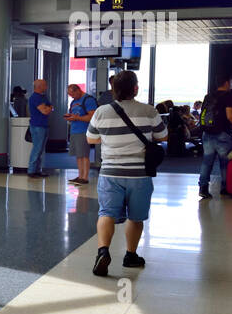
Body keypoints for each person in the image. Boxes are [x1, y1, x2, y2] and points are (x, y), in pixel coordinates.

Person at [86, 70, 166, 277]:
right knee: (136, 217)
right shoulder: (148, 111)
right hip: (139, 174)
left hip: (110, 172)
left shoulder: (101, 111)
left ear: (113, 90)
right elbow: (162, 136)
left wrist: (110, 138)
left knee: (106, 213)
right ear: (136, 89)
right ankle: (130, 256)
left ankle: (103, 252)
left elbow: (91, 139)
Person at [64, 83, 97, 185]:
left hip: (83, 131)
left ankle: (85, 177)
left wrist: (77, 118)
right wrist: (70, 117)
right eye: (70, 95)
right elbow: (74, 114)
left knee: (84, 155)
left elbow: (92, 117)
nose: (72, 97)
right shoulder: (74, 102)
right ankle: (80, 175)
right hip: (74, 130)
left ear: (78, 90)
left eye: (72, 94)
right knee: (78, 155)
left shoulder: (88, 100)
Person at [27, 78, 54, 177]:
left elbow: (51, 107)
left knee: (41, 149)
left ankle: (37, 170)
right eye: (45, 85)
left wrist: (48, 108)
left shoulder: (43, 97)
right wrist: (48, 108)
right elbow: (46, 111)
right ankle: (31, 171)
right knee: (37, 149)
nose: (46, 87)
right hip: (37, 126)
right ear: (39, 87)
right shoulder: (35, 98)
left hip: (44, 125)